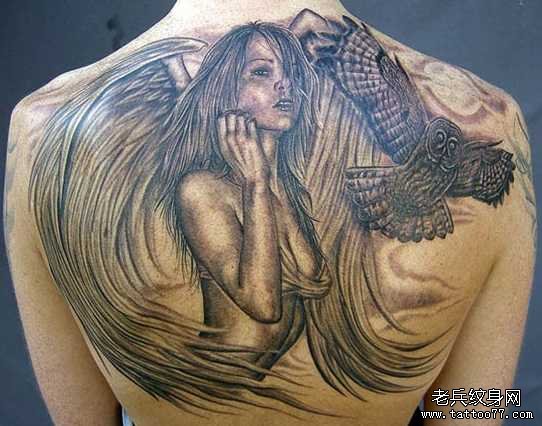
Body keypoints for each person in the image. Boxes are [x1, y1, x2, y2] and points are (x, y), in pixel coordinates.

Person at [4, 1, 535, 425]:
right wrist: (258, 183)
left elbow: (82, 419)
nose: (284, 86)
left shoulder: (40, 128)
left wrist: (268, 183)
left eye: (287, 74)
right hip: (223, 367)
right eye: (261, 73)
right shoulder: (498, 124)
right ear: (225, 91)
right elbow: (475, 410)